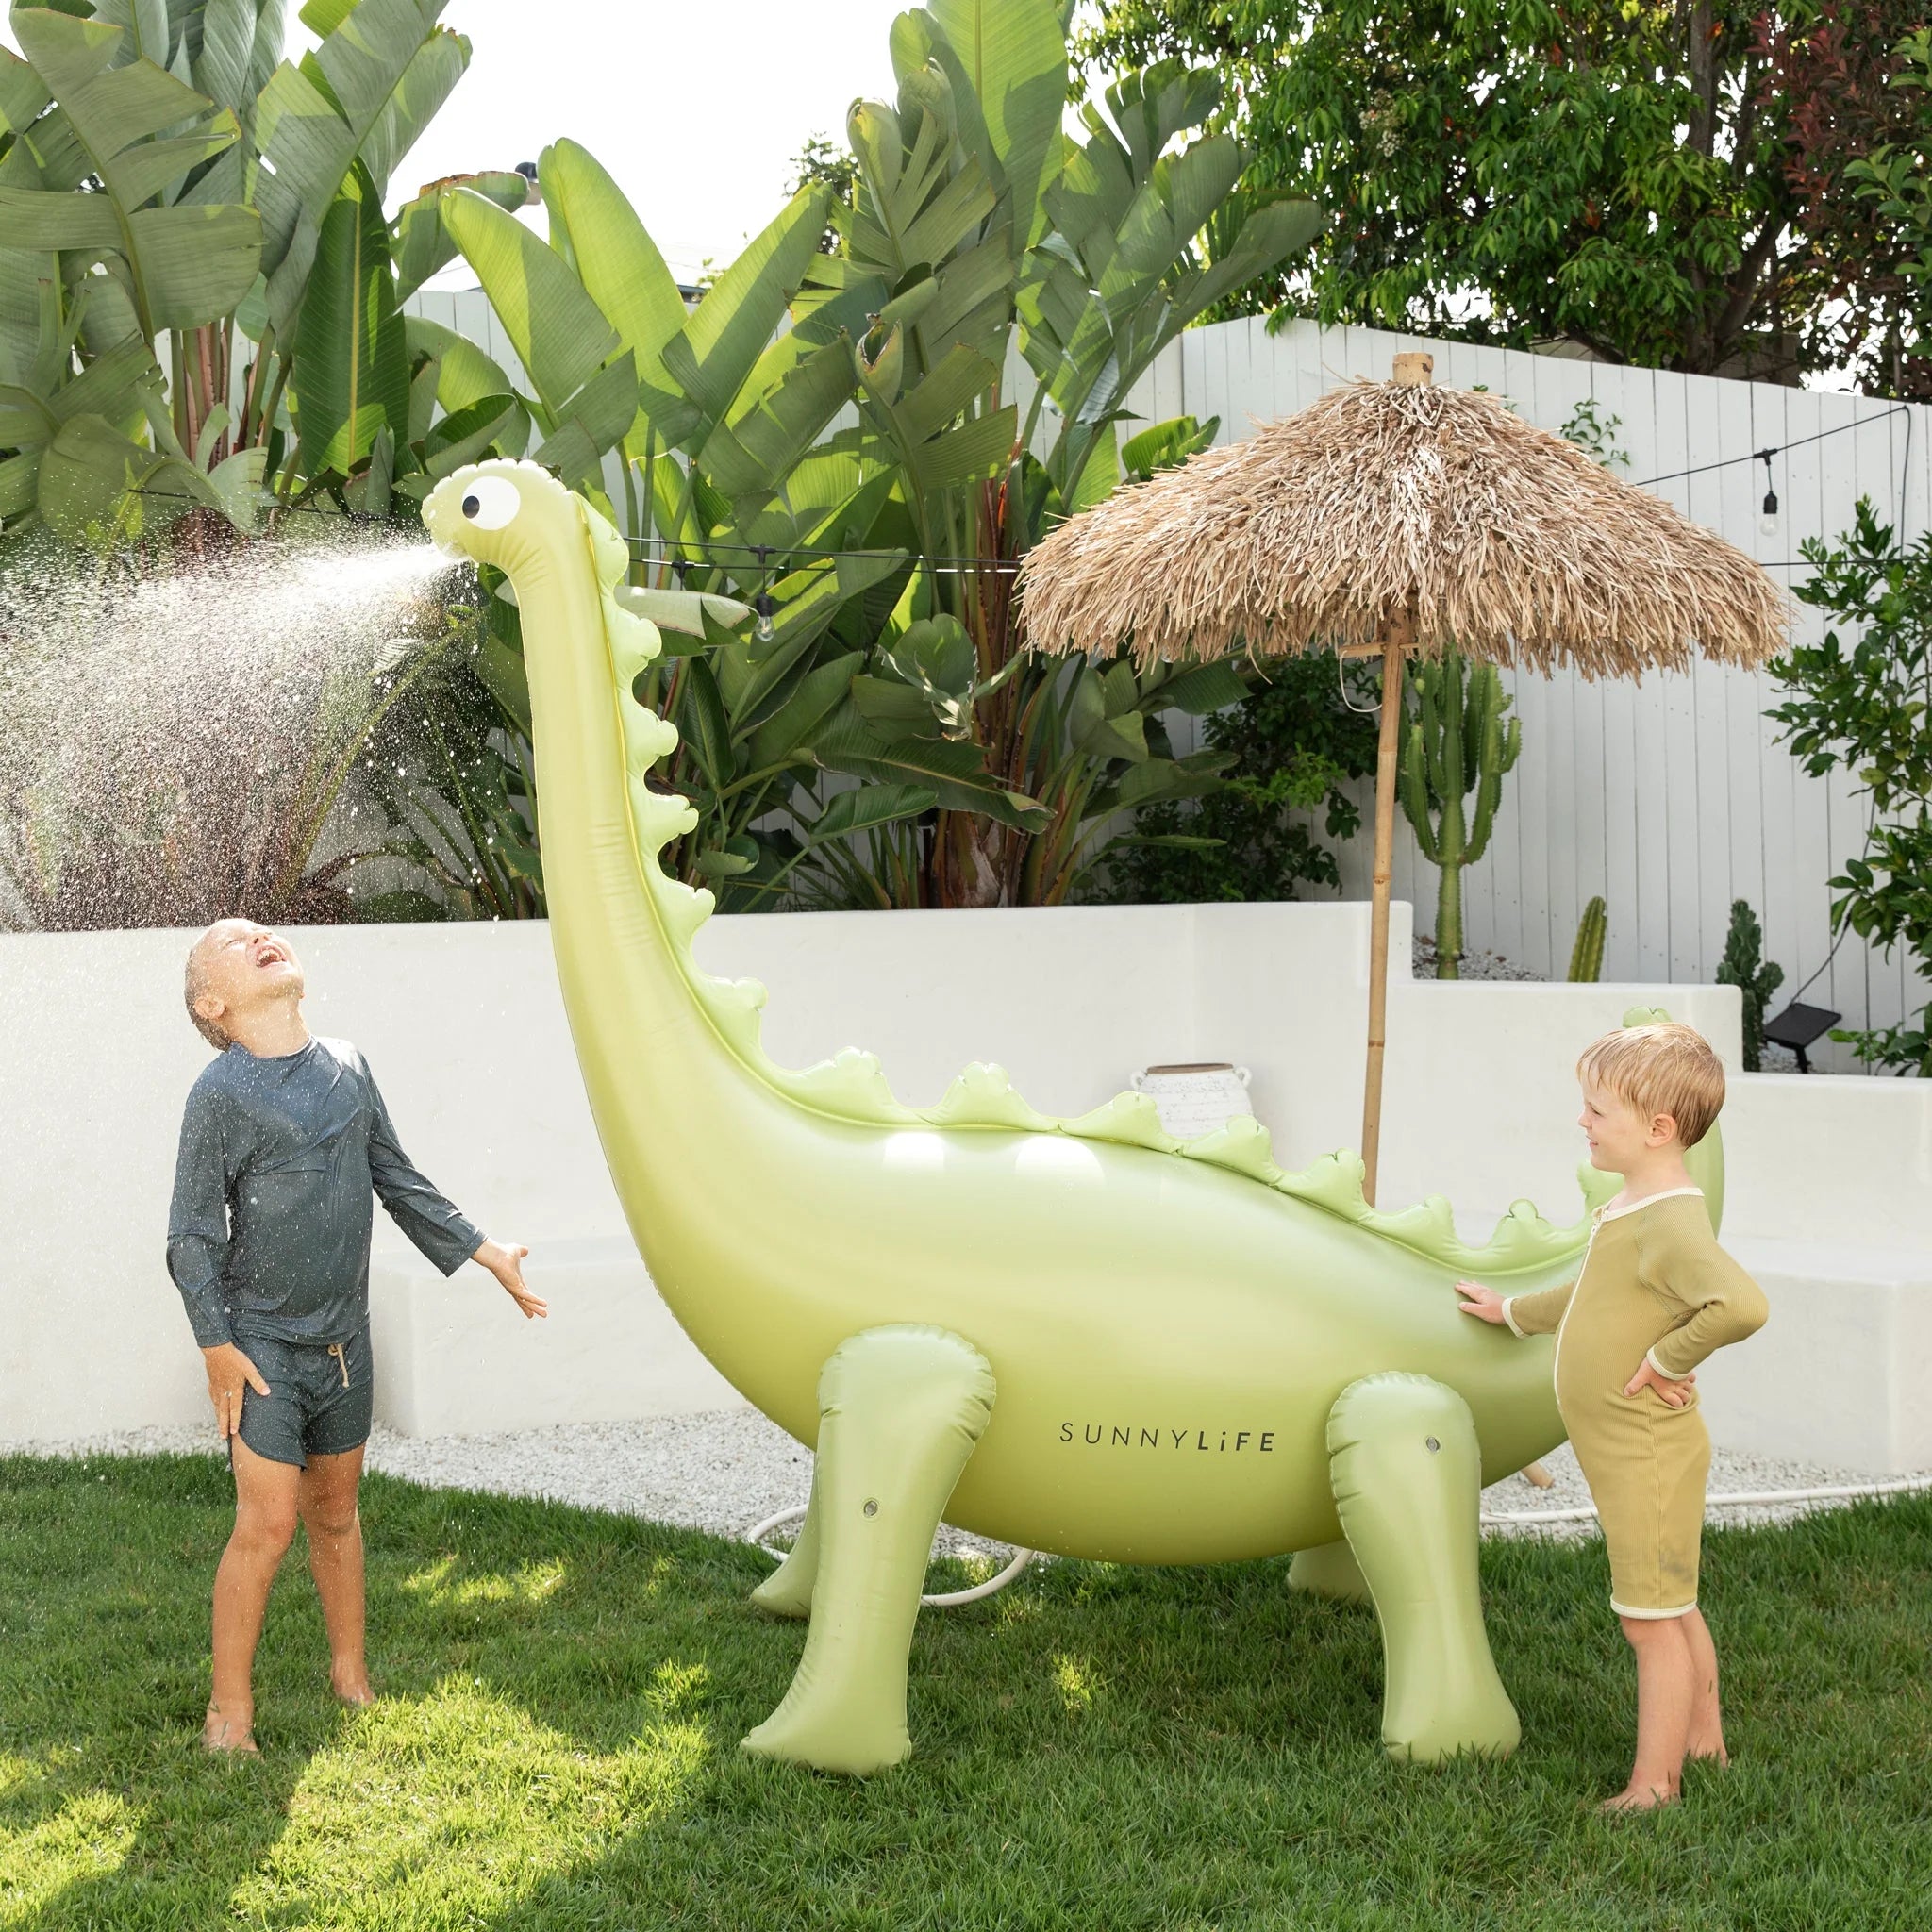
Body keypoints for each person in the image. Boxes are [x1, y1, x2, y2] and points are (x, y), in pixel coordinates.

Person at [168, 918, 547, 1755]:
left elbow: (397, 1177)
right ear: (214, 1002)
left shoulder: (349, 1067)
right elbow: (191, 1234)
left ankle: (350, 1674)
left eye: (264, 930)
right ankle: (229, 1714)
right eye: (235, 942)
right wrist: (215, 1343)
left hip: (345, 1341)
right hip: (262, 1346)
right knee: (265, 1525)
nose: (261, 936)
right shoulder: (222, 1093)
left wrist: (485, 1250)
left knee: (336, 1514)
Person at [1454, 1021, 1767, 1811]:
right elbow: (1594, 1293)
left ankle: (1655, 1785)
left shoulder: (1671, 1223)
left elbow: (1741, 1305)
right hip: (1635, 1449)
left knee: (1649, 1622)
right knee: (1674, 1601)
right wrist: (1514, 1311)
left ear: (1658, 1130)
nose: (1582, 1122)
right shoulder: (1637, 1204)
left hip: (1647, 1454)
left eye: (1598, 1112)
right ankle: (1704, 1737)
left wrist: (1668, 1360)